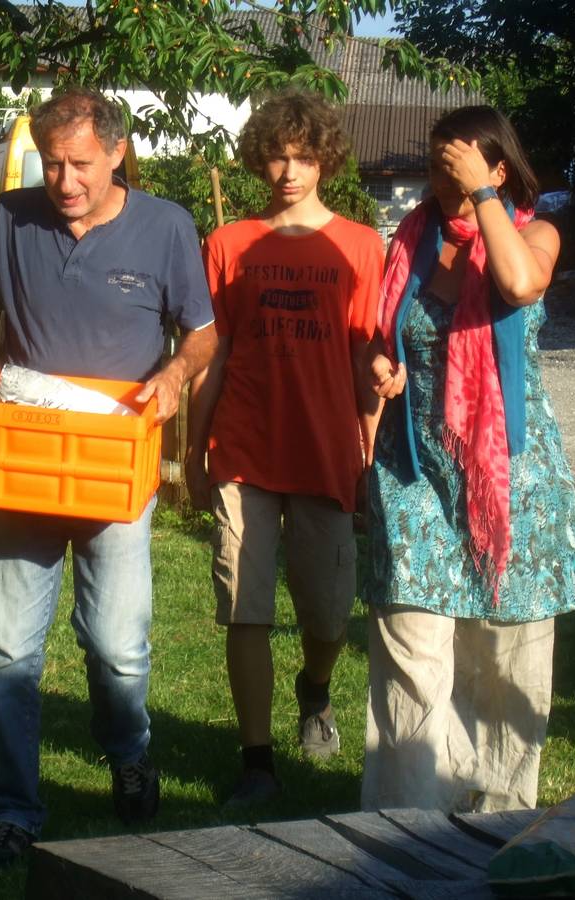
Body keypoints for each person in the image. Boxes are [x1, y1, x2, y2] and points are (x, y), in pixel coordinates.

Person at [0, 86, 217, 867]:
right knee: (7, 654)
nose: (64, 181)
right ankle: (13, 808)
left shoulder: (166, 226)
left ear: (117, 153)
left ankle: (128, 754)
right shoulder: (9, 217)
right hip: (24, 460)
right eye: (52, 164)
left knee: (117, 647)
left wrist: (175, 374)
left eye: (81, 164)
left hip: (115, 465)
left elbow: (203, 332)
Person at [361, 105, 575, 813]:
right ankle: (405, 820)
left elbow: (518, 285)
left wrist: (483, 197)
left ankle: (497, 814)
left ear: (499, 169)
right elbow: (386, 336)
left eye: (456, 165)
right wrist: (381, 364)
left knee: (503, 655)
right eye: (436, 165)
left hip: (509, 480)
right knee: (409, 644)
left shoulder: (536, 233)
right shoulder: (411, 239)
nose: (443, 179)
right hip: (416, 473)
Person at [186, 90, 383, 808]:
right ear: (258, 160)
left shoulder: (360, 246)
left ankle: (315, 687)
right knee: (246, 607)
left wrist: (368, 455)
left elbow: (365, 356)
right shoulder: (228, 244)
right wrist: (195, 449)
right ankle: (257, 760)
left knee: (328, 615)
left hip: (326, 452)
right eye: (276, 156)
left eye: (302, 157)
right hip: (244, 448)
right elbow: (212, 354)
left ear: (325, 160)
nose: (289, 172)